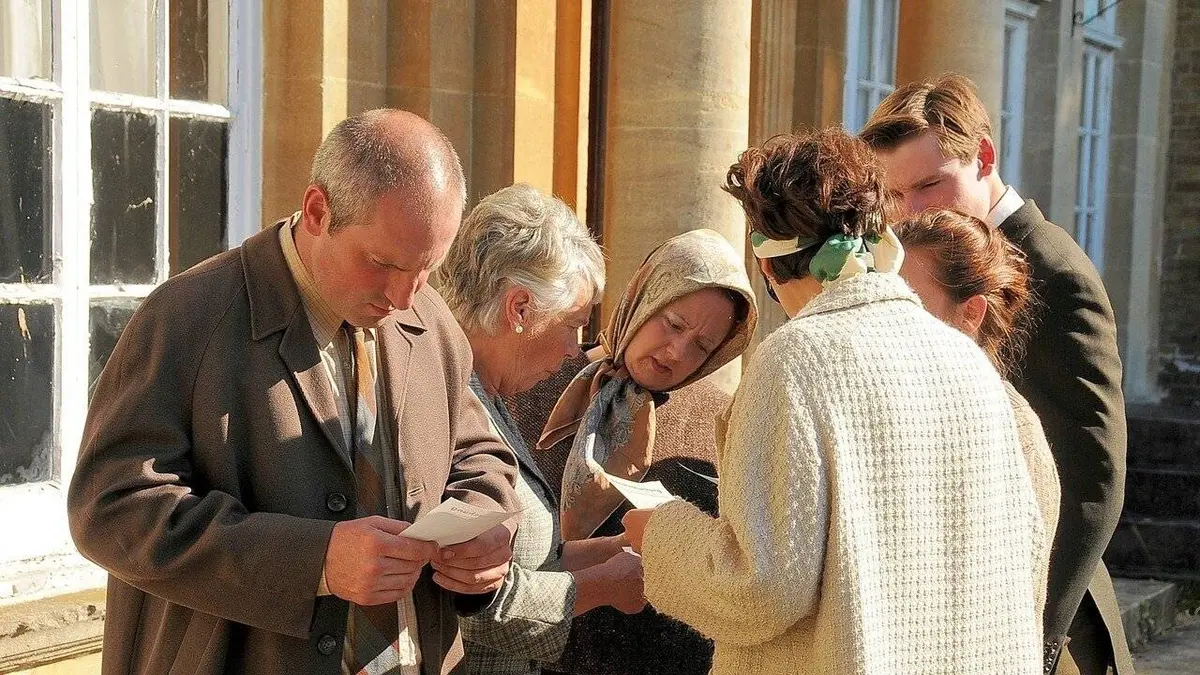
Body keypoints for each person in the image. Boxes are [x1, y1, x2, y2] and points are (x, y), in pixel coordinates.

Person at [67, 109, 520, 675]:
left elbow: (482, 457)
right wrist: (317, 563)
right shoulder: (188, 317)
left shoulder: (431, 320)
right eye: (382, 263)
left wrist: (485, 534)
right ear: (316, 210)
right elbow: (109, 509)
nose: (404, 296)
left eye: (426, 269)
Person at [622, 128, 1046, 675]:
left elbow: (761, 590)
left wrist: (661, 533)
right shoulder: (972, 366)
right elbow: (1028, 558)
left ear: (768, 267)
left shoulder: (795, 360)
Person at [861, 74, 1132, 675]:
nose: (913, 211)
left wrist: (1032, 640)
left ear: (984, 157)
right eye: (895, 195)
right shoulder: (919, 263)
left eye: (931, 185)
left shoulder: (1056, 275)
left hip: (1039, 622)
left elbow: (1093, 480)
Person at [434, 183, 647, 675]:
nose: (575, 349)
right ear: (520, 309)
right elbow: (469, 602)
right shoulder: (443, 402)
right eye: (572, 323)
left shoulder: (488, 394)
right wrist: (606, 585)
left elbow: (524, 557)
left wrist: (610, 552)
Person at [525, 227, 757, 675]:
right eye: (672, 324)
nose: (675, 351)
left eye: (702, 346)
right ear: (643, 297)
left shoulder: (722, 421)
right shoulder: (542, 382)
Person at [894, 208, 1061, 618]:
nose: (885, 315)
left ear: (970, 313)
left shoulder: (1014, 429)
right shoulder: (893, 404)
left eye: (907, 301)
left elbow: (1015, 603)